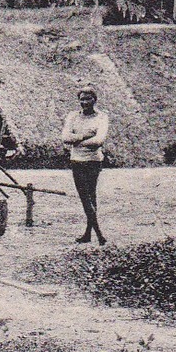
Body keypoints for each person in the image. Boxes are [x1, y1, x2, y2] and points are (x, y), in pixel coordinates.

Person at [60, 84, 110, 245]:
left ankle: (96, 234)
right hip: (77, 161)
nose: (85, 102)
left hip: (94, 161)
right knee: (85, 198)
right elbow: (65, 138)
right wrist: (85, 135)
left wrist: (77, 139)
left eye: (88, 99)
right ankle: (93, 234)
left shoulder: (101, 117)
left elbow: (98, 141)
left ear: (95, 100)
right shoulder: (73, 116)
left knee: (90, 197)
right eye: (82, 99)